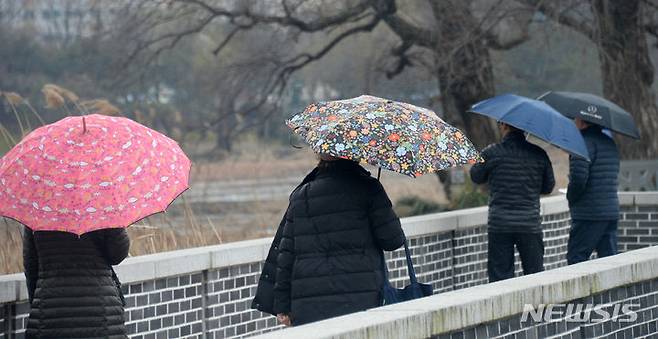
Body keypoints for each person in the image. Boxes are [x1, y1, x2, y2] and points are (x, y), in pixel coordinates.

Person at [252, 155, 405, 326]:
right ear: (354, 158)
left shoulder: (301, 195)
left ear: (320, 159)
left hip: (309, 304)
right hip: (362, 298)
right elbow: (393, 241)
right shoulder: (369, 188)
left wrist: (282, 306)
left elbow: (286, 254)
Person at [470, 122, 555, 282]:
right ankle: (536, 307)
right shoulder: (539, 154)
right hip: (529, 223)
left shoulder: (492, 153)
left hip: (500, 224)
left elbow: (476, 176)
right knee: (535, 275)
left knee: (500, 277)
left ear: (503, 126)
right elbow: (548, 187)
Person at [23, 227, 130, 338]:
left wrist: (37, 303)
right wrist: (114, 222)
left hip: (50, 311)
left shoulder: (36, 213)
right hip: (100, 310)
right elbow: (117, 255)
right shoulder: (101, 211)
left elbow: (31, 266)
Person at [566, 118, 620, 264]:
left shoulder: (580, 144)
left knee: (576, 260)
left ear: (583, 122)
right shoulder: (609, 143)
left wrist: (570, 196)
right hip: (610, 212)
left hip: (589, 213)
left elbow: (578, 179)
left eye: (576, 119)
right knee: (610, 263)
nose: (574, 122)